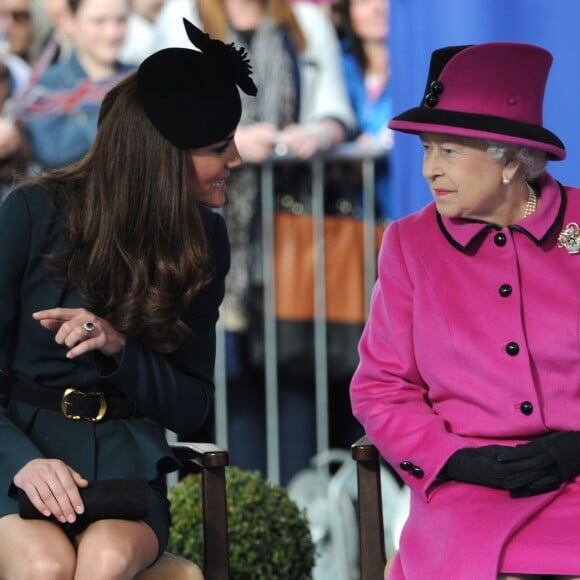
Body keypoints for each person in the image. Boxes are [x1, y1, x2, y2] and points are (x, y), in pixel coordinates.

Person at [0, 17, 255, 579]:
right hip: (17, 455)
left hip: (126, 466)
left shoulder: (205, 239)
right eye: (220, 147)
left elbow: (192, 408)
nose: (234, 161)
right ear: (163, 158)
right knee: (45, 566)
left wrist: (119, 349)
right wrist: (20, 463)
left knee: (106, 561)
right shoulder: (32, 212)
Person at [350, 41, 580, 580]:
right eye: (427, 149)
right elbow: (381, 387)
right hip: (468, 496)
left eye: (449, 151)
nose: (430, 170)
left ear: (509, 159)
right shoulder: (410, 244)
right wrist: (450, 458)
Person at [153, 0, 355, 484]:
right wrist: (233, 136)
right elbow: (162, 109)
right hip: (208, 216)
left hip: (290, 223)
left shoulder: (304, 21)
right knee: (228, 367)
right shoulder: (184, 16)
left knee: (292, 362)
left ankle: (301, 510)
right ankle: (235, 503)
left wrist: (319, 133)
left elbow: (335, 108)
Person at [18, 0, 133, 170]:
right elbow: (51, 150)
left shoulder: (138, 77)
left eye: (121, 20)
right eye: (98, 21)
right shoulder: (48, 85)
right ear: (70, 21)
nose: (112, 32)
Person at [334, 0, 392, 220]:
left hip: (403, 196)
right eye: (364, 2)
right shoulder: (337, 62)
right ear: (348, 12)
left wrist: (375, 142)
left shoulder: (418, 59)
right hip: (354, 209)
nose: (377, 8)